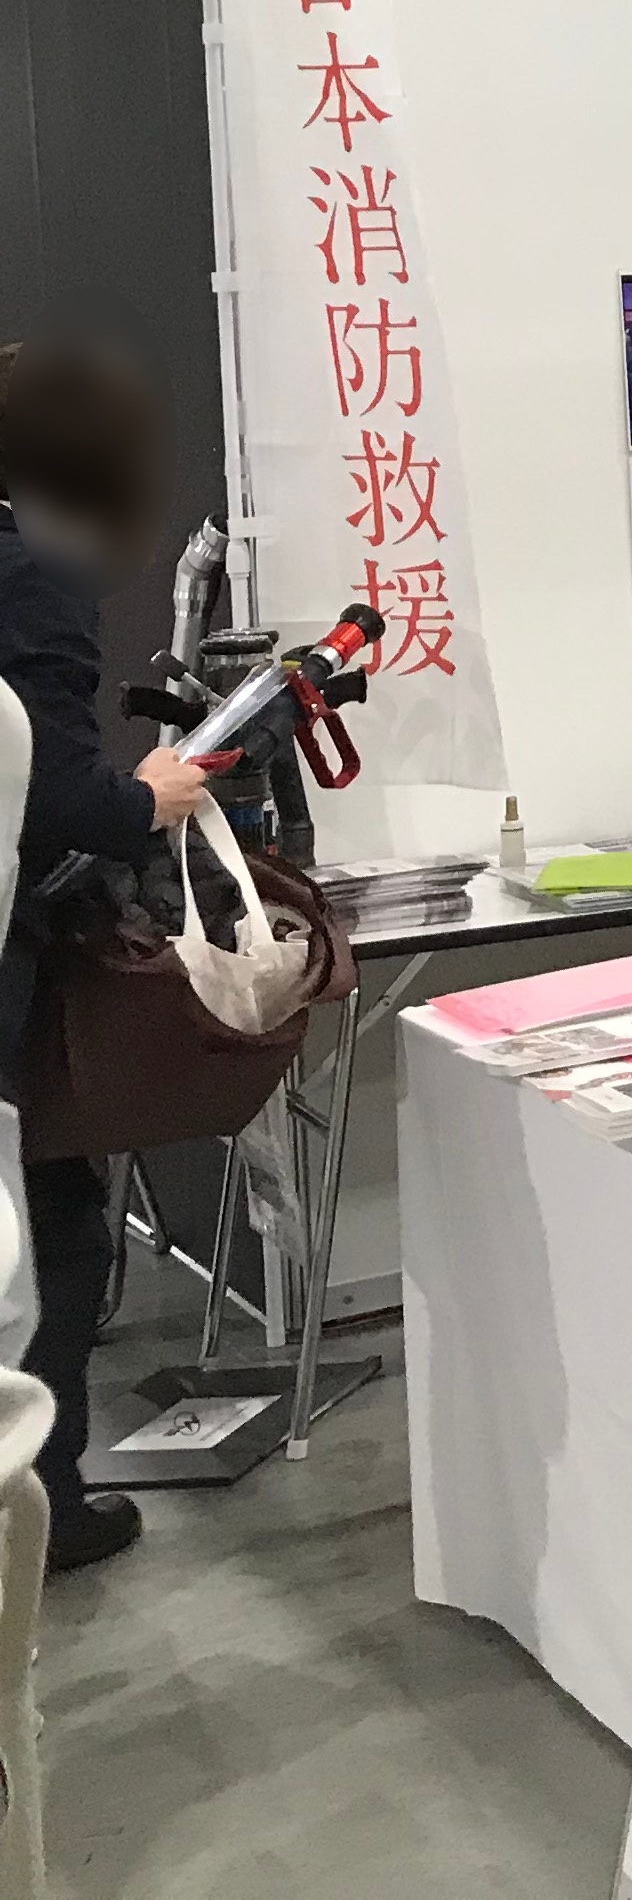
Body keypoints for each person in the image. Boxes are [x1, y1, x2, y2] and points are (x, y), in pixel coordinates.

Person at [0, 343, 205, 1576]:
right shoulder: (32, 574)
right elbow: (56, 790)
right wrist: (151, 796)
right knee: (56, 1227)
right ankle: (46, 1501)